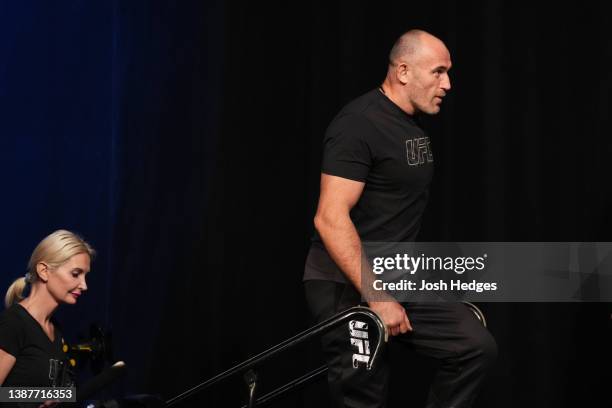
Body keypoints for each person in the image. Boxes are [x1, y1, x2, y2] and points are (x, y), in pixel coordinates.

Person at [304, 29, 497, 408]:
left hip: (397, 274)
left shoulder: (410, 121)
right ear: (404, 71)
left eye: (448, 72)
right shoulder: (358, 124)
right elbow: (329, 217)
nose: (448, 83)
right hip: (345, 284)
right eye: (438, 72)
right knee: (364, 397)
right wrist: (375, 295)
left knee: (474, 347)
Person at [0, 229, 95, 391]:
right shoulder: (13, 324)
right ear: (44, 271)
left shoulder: (55, 331)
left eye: (85, 276)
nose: (84, 285)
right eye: (75, 274)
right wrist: (36, 397)